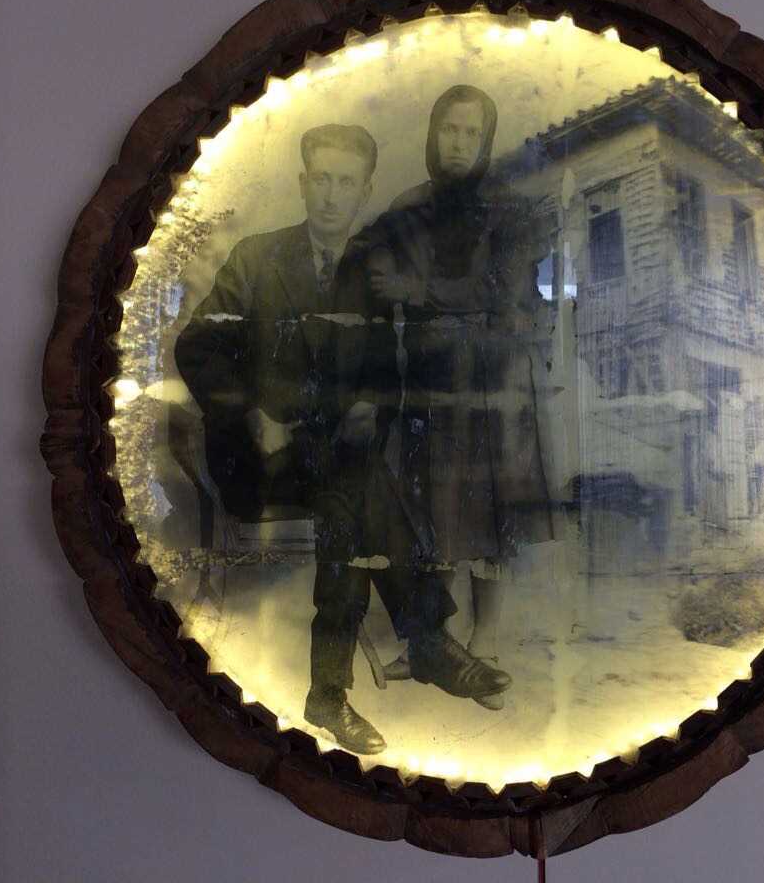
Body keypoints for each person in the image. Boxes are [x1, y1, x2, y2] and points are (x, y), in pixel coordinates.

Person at [174, 123, 512, 755]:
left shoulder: (367, 273)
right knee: (355, 491)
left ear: (363, 192)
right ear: (304, 184)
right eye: (322, 179)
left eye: (346, 183)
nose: (332, 195)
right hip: (258, 458)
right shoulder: (255, 258)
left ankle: (329, 695)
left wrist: (368, 409)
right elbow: (196, 346)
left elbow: (384, 377)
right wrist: (250, 414)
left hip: (334, 464)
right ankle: (427, 643)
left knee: (348, 496)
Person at [361, 86, 556, 708]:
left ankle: (486, 641)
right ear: (432, 133)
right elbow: (373, 273)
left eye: (472, 133)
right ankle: (438, 648)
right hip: (430, 378)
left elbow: (504, 291)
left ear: (486, 142)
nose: (459, 143)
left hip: (495, 377)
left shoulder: (509, 209)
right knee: (432, 512)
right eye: (449, 129)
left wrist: (418, 291)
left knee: (490, 514)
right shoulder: (407, 207)